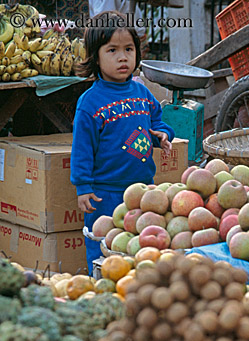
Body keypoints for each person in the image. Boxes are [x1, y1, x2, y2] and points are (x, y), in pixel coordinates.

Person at [70, 10, 174, 274]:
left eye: (129, 48)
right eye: (112, 50)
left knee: (139, 246)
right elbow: (82, 150)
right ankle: (98, 283)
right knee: (103, 246)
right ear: (96, 57)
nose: (122, 57)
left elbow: (157, 120)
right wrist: (83, 186)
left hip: (142, 190)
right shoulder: (90, 103)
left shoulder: (142, 92)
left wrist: (163, 134)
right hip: (104, 193)